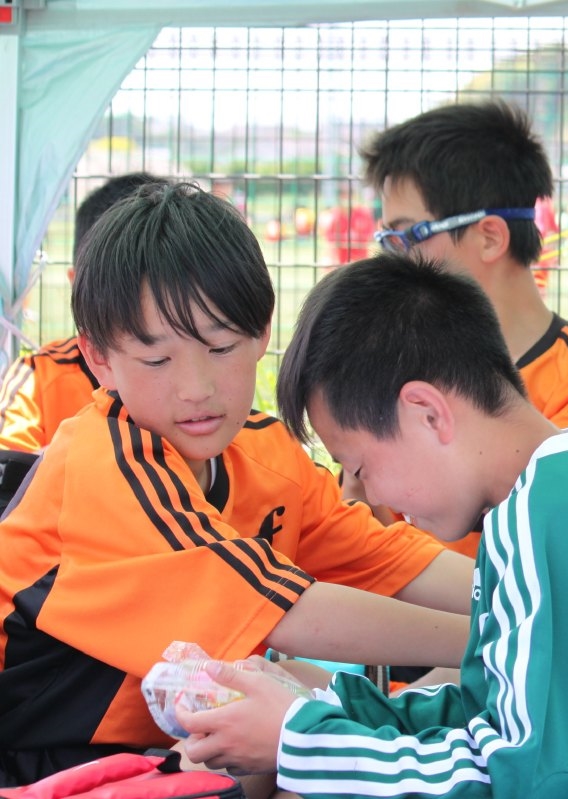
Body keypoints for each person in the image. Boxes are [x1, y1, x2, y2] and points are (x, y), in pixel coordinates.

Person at [176, 254, 568, 798]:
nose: (367, 495)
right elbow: (491, 713)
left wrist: (301, 743)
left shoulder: (548, 516)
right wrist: (317, 706)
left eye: (359, 467)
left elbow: (519, 778)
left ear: (427, 412)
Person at [0, 183, 475, 786]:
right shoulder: (104, 462)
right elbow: (286, 614)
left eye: (221, 347)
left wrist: (523, 595)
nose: (196, 388)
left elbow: (392, 561)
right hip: (35, 758)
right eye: (157, 360)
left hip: (156, 746)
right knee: (283, 733)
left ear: (263, 333)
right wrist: (495, 638)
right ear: (97, 359)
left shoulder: (266, 452)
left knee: (300, 701)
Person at [353, 100, 568, 556]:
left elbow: (555, 543)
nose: (392, 260)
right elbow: (358, 524)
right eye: (387, 240)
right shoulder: (394, 364)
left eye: (409, 237)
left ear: (489, 237)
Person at [0, 172, 165, 453]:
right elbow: (8, 468)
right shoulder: (37, 378)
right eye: (119, 282)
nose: (140, 303)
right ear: (77, 284)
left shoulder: (206, 385)